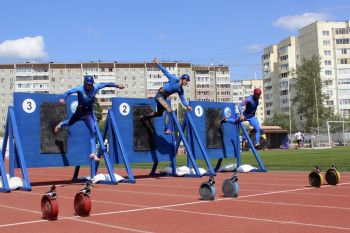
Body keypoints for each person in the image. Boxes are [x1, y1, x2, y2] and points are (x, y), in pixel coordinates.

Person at [54, 75, 124, 161]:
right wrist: (63, 98)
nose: (90, 86)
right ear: (84, 84)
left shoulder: (95, 87)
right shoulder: (79, 89)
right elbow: (68, 92)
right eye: (88, 84)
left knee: (93, 131)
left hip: (88, 114)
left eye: (91, 84)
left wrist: (117, 86)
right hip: (79, 113)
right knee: (69, 123)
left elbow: (106, 84)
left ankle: (93, 153)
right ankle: (60, 125)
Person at [141, 59, 192, 134]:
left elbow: (183, 99)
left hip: (163, 98)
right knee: (169, 110)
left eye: (187, 81)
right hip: (159, 95)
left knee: (160, 114)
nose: (186, 82)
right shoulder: (174, 79)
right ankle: (167, 129)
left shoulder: (180, 90)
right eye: (186, 80)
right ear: (182, 79)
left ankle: (145, 117)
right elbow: (165, 72)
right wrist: (157, 64)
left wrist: (187, 106)